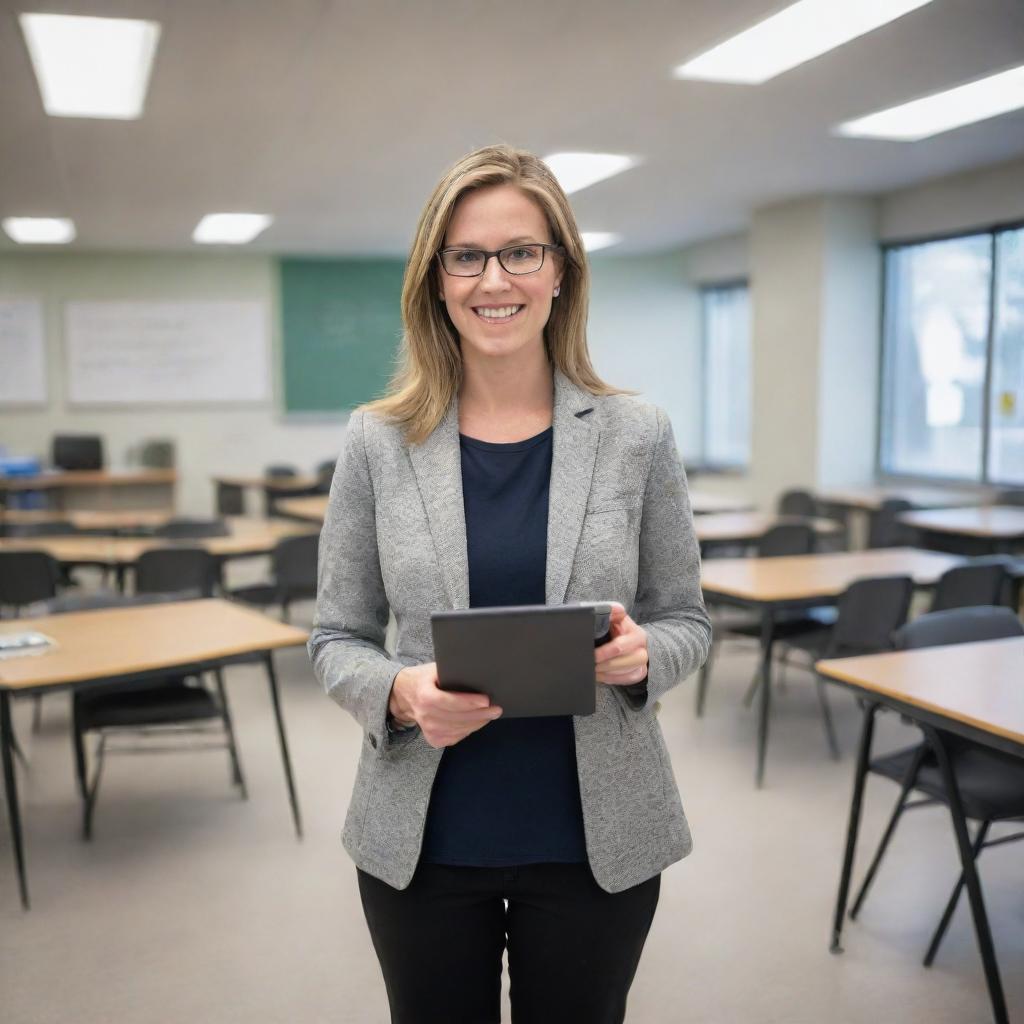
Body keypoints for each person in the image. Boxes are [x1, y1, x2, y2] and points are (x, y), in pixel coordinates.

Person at [308, 144, 711, 1024]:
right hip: (423, 840)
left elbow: (686, 618)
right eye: (467, 255)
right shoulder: (377, 441)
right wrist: (402, 691)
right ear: (437, 278)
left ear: (560, 270)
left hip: (595, 842)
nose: (495, 279)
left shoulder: (637, 434)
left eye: (521, 251)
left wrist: (645, 657)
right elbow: (335, 635)